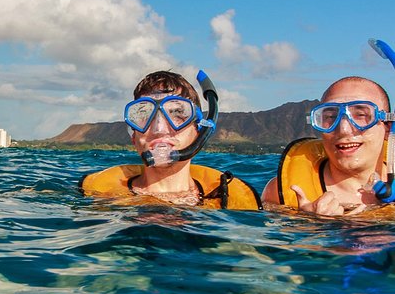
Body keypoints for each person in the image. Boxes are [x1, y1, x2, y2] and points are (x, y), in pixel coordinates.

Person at [80, 70, 262, 210]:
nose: (159, 129)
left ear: (200, 130)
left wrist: (290, 217)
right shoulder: (98, 198)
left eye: (177, 113)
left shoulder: (231, 202)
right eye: (144, 114)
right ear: (133, 135)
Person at [261, 76, 394, 216]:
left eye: (361, 115)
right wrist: (308, 224)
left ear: (387, 128)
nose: (343, 129)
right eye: (330, 117)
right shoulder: (281, 192)